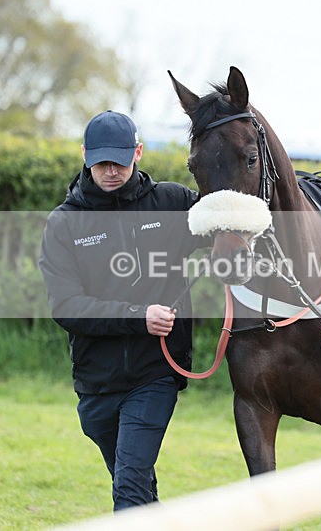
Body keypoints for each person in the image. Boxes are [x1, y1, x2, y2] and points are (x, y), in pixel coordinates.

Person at [39, 110, 204, 511]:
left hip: (155, 374)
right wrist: (139, 315)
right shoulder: (63, 224)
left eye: (120, 160)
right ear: (84, 155)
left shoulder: (173, 202)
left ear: (139, 152)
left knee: (128, 487)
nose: (111, 170)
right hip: (95, 384)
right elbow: (67, 306)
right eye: (101, 162)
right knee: (137, 487)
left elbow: (227, 224)